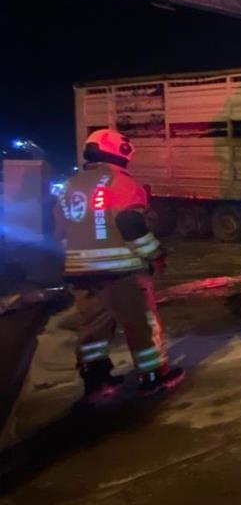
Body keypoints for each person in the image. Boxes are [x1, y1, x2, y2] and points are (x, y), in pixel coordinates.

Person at [54, 129, 184, 401]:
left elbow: (60, 230)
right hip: (120, 272)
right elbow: (131, 225)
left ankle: (96, 381)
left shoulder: (70, 185)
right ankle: (153, 377)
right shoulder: (121, 182)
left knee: (93, 327)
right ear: (120, 152)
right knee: (141, 325)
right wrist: (155, 254)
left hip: (80, 273)